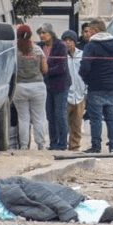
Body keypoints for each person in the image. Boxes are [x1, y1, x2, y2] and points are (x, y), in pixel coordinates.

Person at [78, 18, 113, 153]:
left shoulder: (91, 46)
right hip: (111, 86)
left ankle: (96, 146)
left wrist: (86, 78)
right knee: (111, 118)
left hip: (95, 86)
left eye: (90, 31)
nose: (88, 34)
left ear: (95, 30)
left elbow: (85, 67)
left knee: (96, 118)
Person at [11, 24, 49, 150]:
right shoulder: (38, 50)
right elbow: (44, 69)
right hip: (37, 86)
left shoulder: (14, 51)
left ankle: (23, 145)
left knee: (23, 119)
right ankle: (41, 145)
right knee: (38, 118)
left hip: (20, 87)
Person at [39, 23, 70, 151]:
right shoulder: (39, 47)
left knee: (60, 114)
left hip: (60, 85)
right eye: (40, 33)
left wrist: (46, 71)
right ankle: (53, 143)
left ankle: (62, 143)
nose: (42, 35)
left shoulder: (60, 46)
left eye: (44, 33)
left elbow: (61, 67)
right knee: (50, 115)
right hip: (47, 85)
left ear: (51, 33)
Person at [61, 30, 86, 151]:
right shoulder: (60, 56)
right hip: (66, 94)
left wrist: (85, 90)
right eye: (66, 41)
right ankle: (61, 145)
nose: (68, 43)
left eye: (70, 41)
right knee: (63, 123)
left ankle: (74, 146)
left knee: (77, 124)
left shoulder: (82, 55)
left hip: (80, 95)